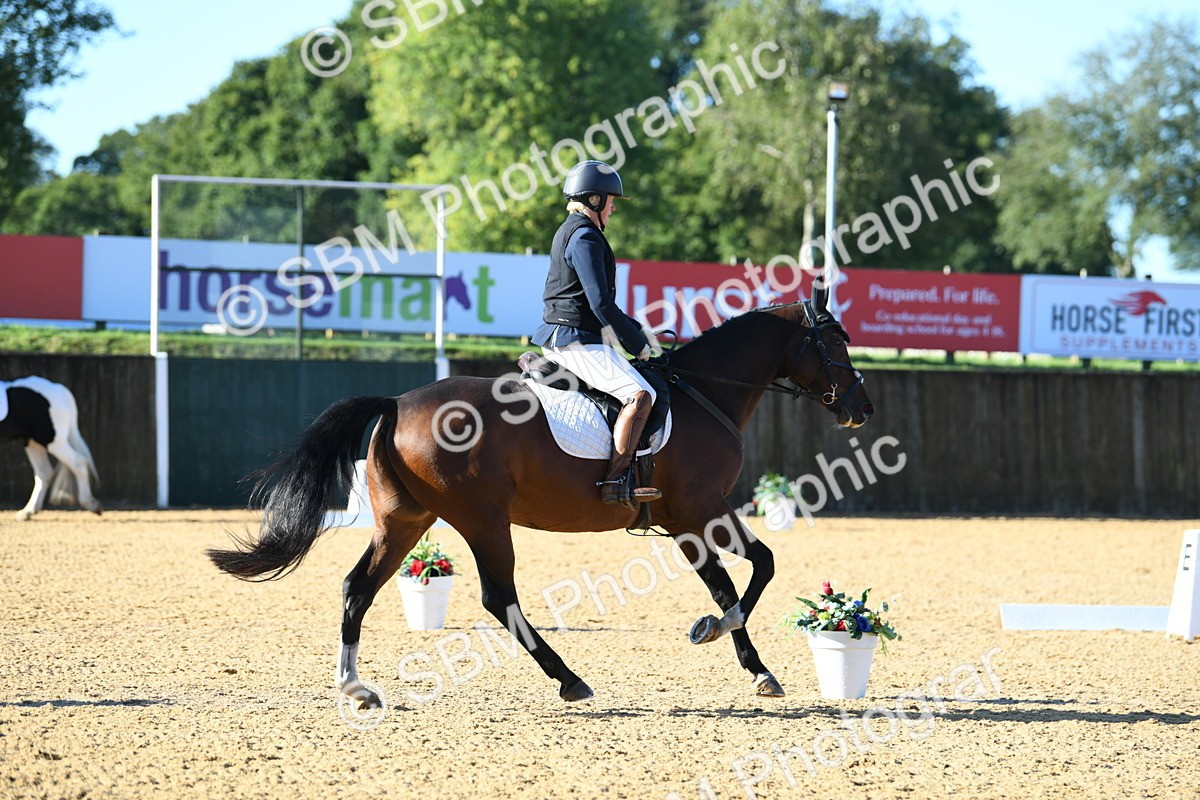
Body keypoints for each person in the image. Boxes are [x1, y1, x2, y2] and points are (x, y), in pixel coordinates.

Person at [531, 160, 663, 507]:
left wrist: (638, 331)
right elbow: (601, 304)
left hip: (570, 335)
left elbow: (599, 307)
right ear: (593, 200)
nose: (614, 207)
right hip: (573, 340)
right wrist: (638, 346)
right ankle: (616, 481)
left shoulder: (572, 231)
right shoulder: (586, 237)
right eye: (610, 200)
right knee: (641, 395)